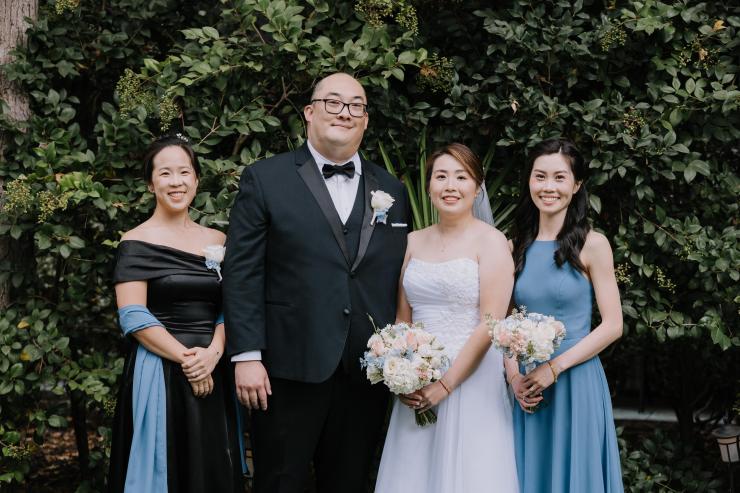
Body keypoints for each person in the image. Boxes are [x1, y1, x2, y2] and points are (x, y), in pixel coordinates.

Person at [222, 72, 411, 493]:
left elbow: (400, 277)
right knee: (279, 481)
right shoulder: (265, 179)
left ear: (366, 120)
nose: (345, 112)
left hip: (367, 371)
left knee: (349, 482)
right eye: (333, 102)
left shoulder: (391, 189)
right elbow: (242, 272)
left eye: (356, 105)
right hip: (286, 368)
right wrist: (247, 355)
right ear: (309, 112)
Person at [375, 143, 519, 493]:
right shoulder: (412, 241)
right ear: (429, 187)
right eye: (441, 177)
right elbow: (402, 319)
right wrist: (401, 374)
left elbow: (490, 324)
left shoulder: (493, 242)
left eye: (461, 177)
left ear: (477, 187)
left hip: (471, 378)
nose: (450, 186)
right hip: (418, 380)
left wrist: (445, 385)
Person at [108, 135, 243, 493]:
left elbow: (231, 306)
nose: (176, 181)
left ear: (196, 180)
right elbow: (133, 316)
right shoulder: (135, 241)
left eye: (184, 172)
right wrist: (190, 362)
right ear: (151, 183)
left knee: (211, 467)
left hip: (213, 367)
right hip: (161, 370)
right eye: (165, 173)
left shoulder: (218, 240)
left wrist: (213, 354)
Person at [508, 139, 624, 493]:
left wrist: (554, 368)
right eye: (540, 176)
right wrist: (514, 379)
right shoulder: (513, 246)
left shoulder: (593, 244)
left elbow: (613, 325)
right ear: (529, 181)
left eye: (559, 178)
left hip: (575, 380)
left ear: (576, 185)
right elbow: (504, 323)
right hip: (527, 387)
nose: (549, 187)